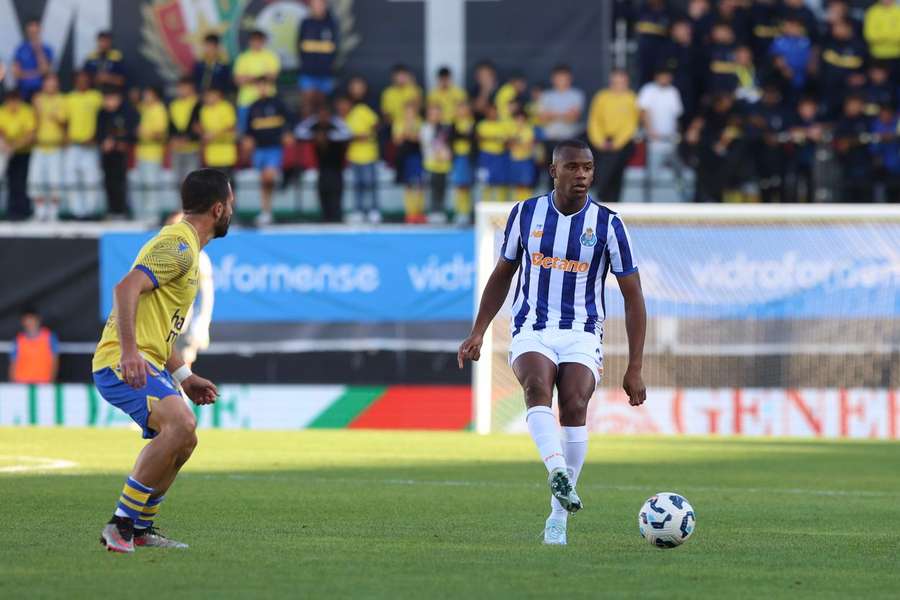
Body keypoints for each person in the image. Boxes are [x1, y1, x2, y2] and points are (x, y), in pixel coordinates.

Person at [457, 139, 647, 547]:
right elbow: (502, 274)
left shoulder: (609, 224)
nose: (582, 175)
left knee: (575, 402)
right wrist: (478, 331)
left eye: (588, 168)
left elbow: (633, 295)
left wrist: (635, 366)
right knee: (536, 387)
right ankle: (557, 468)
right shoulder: (526, 214)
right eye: (573, 167)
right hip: (532, 326)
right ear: (554, 170)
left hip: (582, 330)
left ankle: (558, 516)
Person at [94, 168, 232, 553]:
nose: (232, 212)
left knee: (185, 438)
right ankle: (120, 525)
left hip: (148, 361)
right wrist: (128, 352)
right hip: (119, 362)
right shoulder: (179, 245)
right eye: (231, 204)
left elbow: (158, 328)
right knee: (180, 422)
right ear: (219, 208)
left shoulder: (187, 247)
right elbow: (125, 288)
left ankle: (140, 528)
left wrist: (184, 375)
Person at [165, 212, 215, 368]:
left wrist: (199, 326)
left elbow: (205, 296)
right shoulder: (162, 256)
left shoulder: (198, 258)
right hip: (161, 328)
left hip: (183, 329)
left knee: (180, 377)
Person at [244, 76, 292, 226]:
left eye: (266, 85)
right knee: (263, 181)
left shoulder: (278, 104)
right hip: (259, 149)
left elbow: (290, 120)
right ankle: (266, 211)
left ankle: (267, 209)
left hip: (274, 148)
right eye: (260, 85)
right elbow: (248, 128)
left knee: (268, 177)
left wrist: (287, 133)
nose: (263, 88)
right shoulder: (253, 106)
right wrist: (248, 139)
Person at [294, 100, 351, 222]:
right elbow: (299, 131)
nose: (323, 117)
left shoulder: (336, 123)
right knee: (323, 189)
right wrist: (315, 135)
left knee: (336, 189)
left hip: (336, 165)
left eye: (326, 114)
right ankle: (325, 215)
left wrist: (328, 136)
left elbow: (347, 133)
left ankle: (337, 216)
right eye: (321, 114)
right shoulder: (313, 123)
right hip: (322, 165)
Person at [587, 70, 638, 202]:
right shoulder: (601, 97)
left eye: (621, 82)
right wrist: (600, 141)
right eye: (615, 82)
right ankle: (607, 196)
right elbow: (594, 121)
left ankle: (603, 192)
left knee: (614, 161)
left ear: (627, 83)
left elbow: (630, 125)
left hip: (623, 142)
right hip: (601, 141)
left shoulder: (631, 98)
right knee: (608, 162)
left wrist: (616, 143)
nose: (618, 85)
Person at [638, 69, 684, 200]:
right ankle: (648, 206)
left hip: (670, 142)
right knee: (651, 177)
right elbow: (643, 112)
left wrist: (676, 135)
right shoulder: (648, 90)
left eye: (667, 76)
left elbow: (676, 116)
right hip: (654, 143)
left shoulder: (673, 91)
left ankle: (685, 204)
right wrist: (650, 131)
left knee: (680, 174)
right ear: (656, 76)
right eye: (662, 76)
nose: (665, 79)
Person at [65, 71, 103, 219]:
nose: (83, 82)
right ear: (75, 82)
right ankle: (77, 212)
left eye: (85, 80)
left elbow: (103, 119)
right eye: (80, 80)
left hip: (90, 146)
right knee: (71, 179)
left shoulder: (96, 97)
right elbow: (65, 121)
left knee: (91, 179)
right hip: (73, 145)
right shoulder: (69, 98)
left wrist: (96, 138)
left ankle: (90, 211)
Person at [538, 65, 585, 185]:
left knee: (569, 175)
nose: (561, 81)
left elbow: (573, 117)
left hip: (569, 141)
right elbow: (542, 118)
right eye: (559, 78)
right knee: (551, 176)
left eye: (564, 78)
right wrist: (564, 114)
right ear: (553, 79)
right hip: (550, 140)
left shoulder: (576, 95)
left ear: (570, 79)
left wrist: (552, 114)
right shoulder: (545, 95)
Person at [29, 73, 67, 221]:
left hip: (55, 147)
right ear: (43, 84)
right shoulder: (37, 99)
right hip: (39, 146)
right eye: (48, 82)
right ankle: (39, 212)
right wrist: (37, 109)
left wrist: (52, 114)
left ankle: (53, 213)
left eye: (53, 82)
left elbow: (64, 123)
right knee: (35, 179)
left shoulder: (62, 99)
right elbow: (34, 123)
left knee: (55, 180)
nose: (50, 85)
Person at [97, 87, 139, 218]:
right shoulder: (102, 113)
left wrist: (118, 142)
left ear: (119, 99)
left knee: (122, 182)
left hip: (123, 155)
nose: (109, 102)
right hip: (107, 155)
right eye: (106, 99)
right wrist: (104, 142)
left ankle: (123, 210)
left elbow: (131, 133)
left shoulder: (127, 112)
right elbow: (98, 132)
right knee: (108, 182)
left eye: (112, 99)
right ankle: (112, 209)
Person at [345, 76, 381, 223]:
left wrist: (366, 135)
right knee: (357, 184)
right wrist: (352, 137)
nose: (357, 89)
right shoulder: (347, 106)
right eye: (354, 86)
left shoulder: (370, 105)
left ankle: (373, 209)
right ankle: (358, 210)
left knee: (370, 183)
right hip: (354, 154)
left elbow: (377, 125)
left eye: (359, 86)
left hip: (369, 152)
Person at [233, 30, 280, 133]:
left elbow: (272, 77)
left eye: (259, 40)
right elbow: (238, 80)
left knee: (268, 131)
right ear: (250, 41)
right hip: (246, 100)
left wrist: (249, 77)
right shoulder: (243, 58)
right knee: (243, 131)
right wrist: (260, 77)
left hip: (267, 98)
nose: (257, 43)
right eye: (254, 40)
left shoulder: (271, 56)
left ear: (264, 41)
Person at [297, 0, 340, 110]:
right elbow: (299, 46)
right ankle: (305, 127)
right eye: (315, 4)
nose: (318, 7)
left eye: (320, 4)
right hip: (307, 71)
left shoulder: (332, 24)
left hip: (325, 72)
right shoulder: (305, 23)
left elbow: (335, 48)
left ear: (325, 5)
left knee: (324, 106)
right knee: (307, 104)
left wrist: (329, 65)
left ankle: (321, 128)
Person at [0, 90, 36, 219]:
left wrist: (13, 147)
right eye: (10, 100)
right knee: (9, 182)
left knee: (21, 182)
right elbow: (1, 132)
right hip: (6, 152)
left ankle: (23, 211)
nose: (13, 104)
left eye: (15, 100)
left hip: (23, 152)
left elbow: (30, 134)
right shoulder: (2, 111)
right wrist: (6, 146)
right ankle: (11, 211)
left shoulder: (26, 111)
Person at [135, 87, 169, 220]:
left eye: (148, 95)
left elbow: (160, 134)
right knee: (143, 185)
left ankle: (153, 216)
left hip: (153, 154)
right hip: (142, 153)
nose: (145, 97)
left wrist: (144, 133)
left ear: (156, 96)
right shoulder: (145, 108)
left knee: (151, 185)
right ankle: (143, 214)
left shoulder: (159, 109)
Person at [833, 94, 873, 202]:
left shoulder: (867, 121)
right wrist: (855, 141)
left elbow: (871, 139)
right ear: (846, 106)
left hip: (864, 163)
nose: (854, 107)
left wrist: (851, 142)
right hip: (847, 164)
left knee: (865, 194)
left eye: (857, 104)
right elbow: (839, 143)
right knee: (847, 194)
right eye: (852, 105)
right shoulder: (842, 122)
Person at [393, 101, 425, 222]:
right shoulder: (399, 123)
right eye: (407, 111)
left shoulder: (420, 122)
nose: (410, 114)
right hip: (404, 156)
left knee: (419, 183)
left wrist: (408, 134)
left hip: (417, 156)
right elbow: (397, 140)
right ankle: (410, 213)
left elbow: (420, 138)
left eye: (412, 111)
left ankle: (418, 212)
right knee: (408, 184)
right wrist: (408, 131)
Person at [196, 87, 237, 183]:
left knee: (227, 183)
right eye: (207, 96)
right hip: (211, 154)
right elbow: (203, 129)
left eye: (211, 95)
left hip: (226, 153)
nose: (208, 98)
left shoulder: (226, 107)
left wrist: (214, 135)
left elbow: (230, 126)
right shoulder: (204, 110)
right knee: (213, 184)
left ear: (219, 95)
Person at [9, 307, 58, 384]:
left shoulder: (49, 337)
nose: (30, 324)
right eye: (26, 321)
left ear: (38, 320)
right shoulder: (18, 339)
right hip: (21, 383)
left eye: (31, 320)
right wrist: (13, 384)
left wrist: (51, 381)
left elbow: (55, 361)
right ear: (23, 322)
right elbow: (13, 363)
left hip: (43, 382)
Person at [420, 103, 452, 223]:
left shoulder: (445, 128)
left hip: (443, 165)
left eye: (437, 114)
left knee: (442, 189)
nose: (435, 116)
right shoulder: (425, 128)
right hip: (430, 164)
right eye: (432, 114)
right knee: (432, 189)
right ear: (428, 115)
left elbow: (448, 143)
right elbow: (426, 143)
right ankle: (432, 211)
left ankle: (441, 211)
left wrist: (446, 152)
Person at [168, 77, 202, 190]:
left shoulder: (198, 104)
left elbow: (199, 125)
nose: (181, 91)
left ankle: (193, 206)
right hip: (177, 148)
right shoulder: (173, 105)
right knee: (178, 181)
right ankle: (182, 206)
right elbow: (171, 125)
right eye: (180, 88)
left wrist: (189, 138)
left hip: (192, 147)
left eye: (184, 88)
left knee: (193, 180)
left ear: (191, 88)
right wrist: (173, 139)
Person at [475, 103, 510, 202]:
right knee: (485, 183)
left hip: (499, 157)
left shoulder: (502, 125)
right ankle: (485, 204)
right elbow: (479, 137)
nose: (493, 114)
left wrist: (490, 138)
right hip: (486, 157)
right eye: (490, 112)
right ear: (487, 113)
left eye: (495, 112)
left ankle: (501, 206)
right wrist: (494, 138)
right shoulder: (482, 124)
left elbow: (506, 141)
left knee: (501, 183)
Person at [12, 18, 53, 100]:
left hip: (40, 91)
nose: (33, 31)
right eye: (31, 27)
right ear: (27, 30)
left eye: (35, 27)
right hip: (22, 90)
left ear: (40, 29)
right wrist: (36, 73)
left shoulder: (47, 49)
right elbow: (16, 74)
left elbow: (45, 71)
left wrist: (38, 50)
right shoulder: (20, 48)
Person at [450, 101, 475, 224]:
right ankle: (459, 211)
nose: (462, 111)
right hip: (457, 158)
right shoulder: (454, 124)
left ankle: (466, 211)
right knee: (459, 186)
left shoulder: (472, 123)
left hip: (468, 158)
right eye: (459, 108)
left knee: (467, 186)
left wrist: (462, 135)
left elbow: (471, 138)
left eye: (464, 108)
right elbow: (453, 137)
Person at [863, 0, 900, 74]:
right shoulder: (872, 11)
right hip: (877, 54)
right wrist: (891, 35)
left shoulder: (898, 11)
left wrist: (881, 36)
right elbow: (870, 35)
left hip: (896, 54)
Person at [508, 108, 536, 201]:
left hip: (525, 160)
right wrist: (518, 142)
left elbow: (529, 145)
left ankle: (527, 204)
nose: (519, 121)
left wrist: (516, 142)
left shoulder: (528, 130)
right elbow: (508, 144)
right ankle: (518, 204)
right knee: (517, 185)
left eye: (521, 119)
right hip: (514, 160)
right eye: (517, 119)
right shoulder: (511, 129)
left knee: (525, 184)